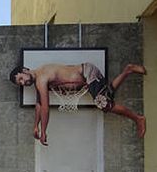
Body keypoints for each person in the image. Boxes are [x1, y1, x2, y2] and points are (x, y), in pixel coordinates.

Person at [9, 62, 146, 146]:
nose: (23, 83)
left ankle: (138, 118)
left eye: (21, 78)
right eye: (20, 83)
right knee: (107, 95)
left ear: (26, 70)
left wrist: (44, 131)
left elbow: (45, 107)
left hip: (87, 72)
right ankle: (128, 70)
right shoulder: (39, 77)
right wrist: (35, 126)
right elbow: (39, 105)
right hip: (87, 73)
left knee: (103, 104)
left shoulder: (41, 78)